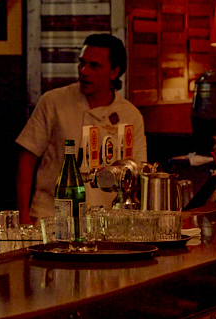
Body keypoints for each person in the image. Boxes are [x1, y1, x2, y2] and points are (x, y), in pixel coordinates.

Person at [14, 33, 147, 221]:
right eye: (82, 63)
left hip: (107, 221)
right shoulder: (53, 101)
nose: (84, 71)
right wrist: (23, 215)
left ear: (114, 72)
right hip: (50, 216)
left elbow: (138, 171)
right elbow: (27, 157)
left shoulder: (130, 115)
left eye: (94, 66)